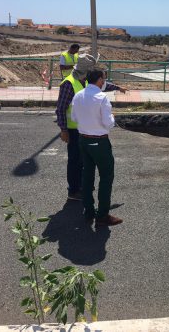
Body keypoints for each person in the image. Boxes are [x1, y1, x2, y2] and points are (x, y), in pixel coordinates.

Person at [55, 55, 126, 201]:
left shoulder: (84, 80)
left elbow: (101, 86)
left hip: (82, 129)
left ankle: (83, 187)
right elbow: (61, 109)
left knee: (83, 161)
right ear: (86, 71)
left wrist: (118, 88)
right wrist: (63, 130)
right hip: (73, 129)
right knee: (74, 161)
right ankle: (73, 190)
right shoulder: (68, 84)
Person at [71, 69, 122, 226]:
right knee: (106, 177)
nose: (104, 82)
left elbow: (73, 117)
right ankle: (103, 214)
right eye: (104, 79)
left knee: (87, 175)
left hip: (83, 140)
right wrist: (113, 117)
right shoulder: (101, 98)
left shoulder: (78, 95)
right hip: (99, 142)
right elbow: (109, 123)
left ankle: (88, 210)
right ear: (100, 80)